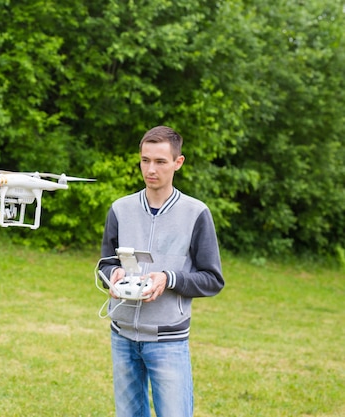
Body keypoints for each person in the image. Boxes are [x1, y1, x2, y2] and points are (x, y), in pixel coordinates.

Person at [98, 125, 225, 417]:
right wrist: (111, 276)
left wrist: (168, 279)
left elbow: (213, 279)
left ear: (178, 163)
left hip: (169, 340)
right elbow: (106, 263)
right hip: (122, 336)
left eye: (160, 161)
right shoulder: (120, 209)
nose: (150, 169)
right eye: (145, 160)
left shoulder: (197, 214)